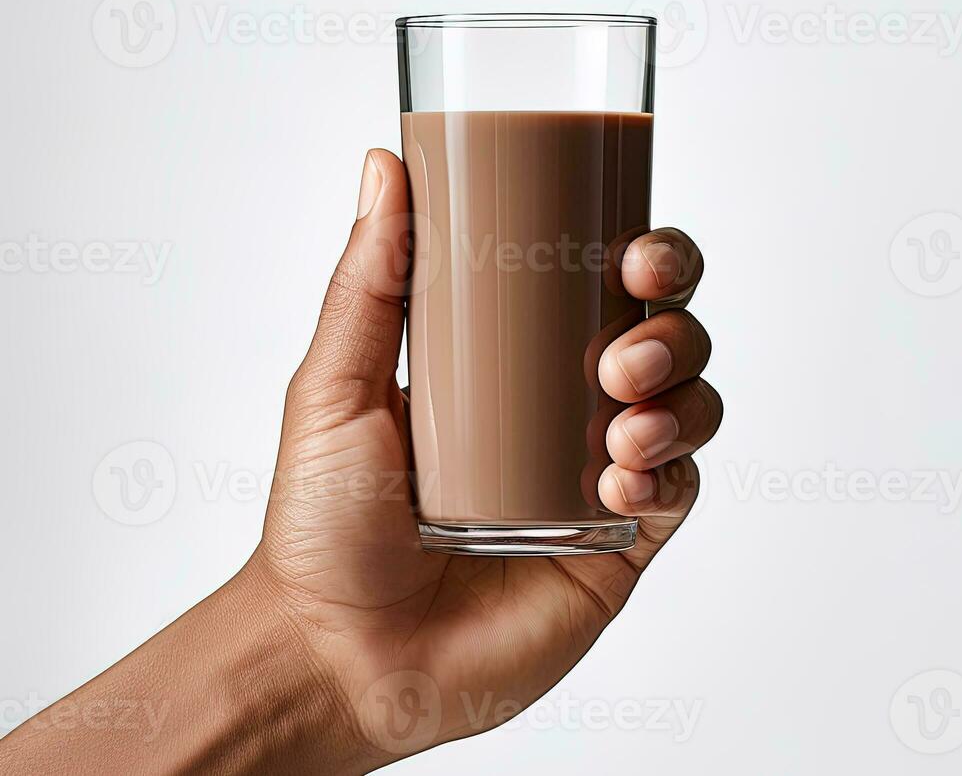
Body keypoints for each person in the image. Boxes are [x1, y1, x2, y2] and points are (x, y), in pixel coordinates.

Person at [0, 150, 722, 773]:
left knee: (644, 363)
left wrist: (327, 663)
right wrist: (315, 649)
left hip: (569, 534)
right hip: (448, 546)